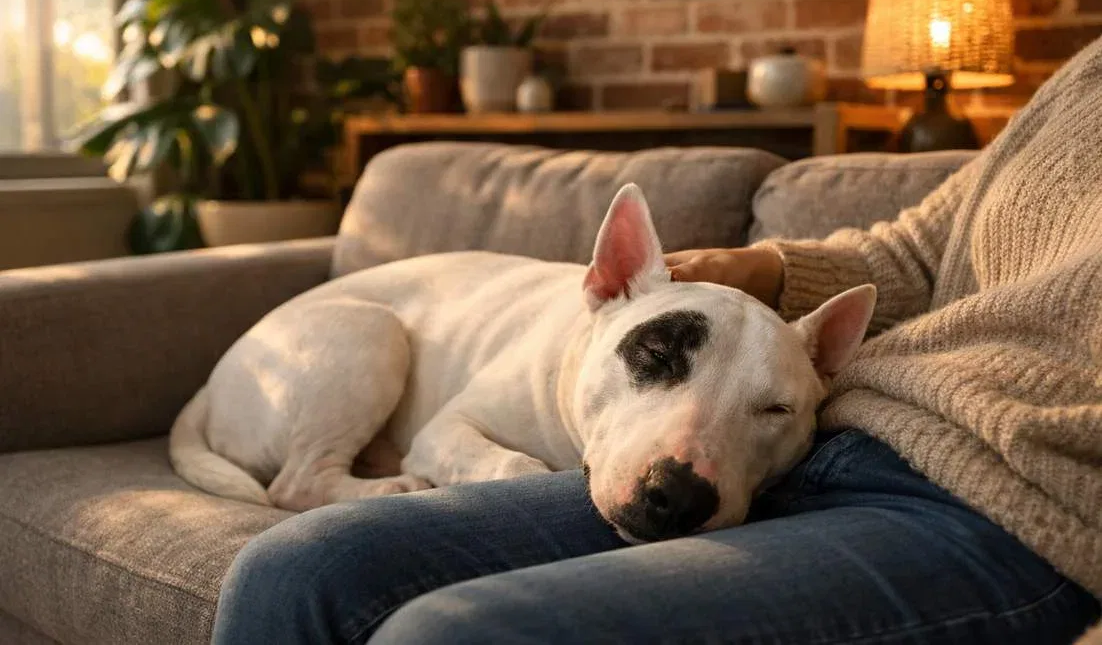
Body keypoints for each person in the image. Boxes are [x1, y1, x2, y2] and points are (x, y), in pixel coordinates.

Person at [211, 37, 1102, 645]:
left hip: (1006, 496)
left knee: (448, 633)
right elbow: (917, 251)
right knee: (292, 572)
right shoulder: (1077, 82)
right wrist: (765, 264)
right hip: (850, 434)